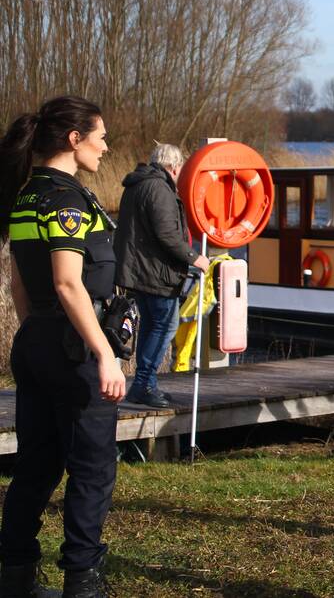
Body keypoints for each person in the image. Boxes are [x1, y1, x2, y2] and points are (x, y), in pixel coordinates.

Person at [0, 96, 127, 598]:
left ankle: (16, 573)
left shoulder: (26, 196)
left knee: (36, 462)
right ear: (74, 140)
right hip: (75, 349)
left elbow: (18, 287)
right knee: (92, 468)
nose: (106, 145)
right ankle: (83, 581)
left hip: (36, 343)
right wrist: (104, 353)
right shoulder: (69, 201)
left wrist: (39, 334)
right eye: (100, 136)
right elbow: (69, 283)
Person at [114, 143, 209, 407]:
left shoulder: (137, 185)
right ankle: (143, 383)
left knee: (151, 325)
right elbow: (167, 234)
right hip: (157, 274)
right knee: (165, 325)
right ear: (175, 166)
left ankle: (146, 385)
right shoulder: (159, 188)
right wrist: (194, 257)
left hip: (139, 272)